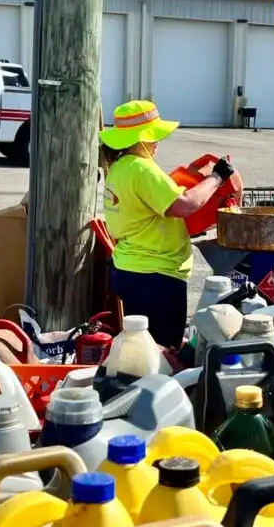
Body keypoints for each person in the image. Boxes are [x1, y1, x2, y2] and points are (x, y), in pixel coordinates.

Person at [100, 99, 237, 349]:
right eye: (154, 136)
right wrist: (217, 177)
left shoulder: (120, 168)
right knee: (162, 352)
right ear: (143, 138)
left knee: (142, 348)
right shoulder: (142, 170)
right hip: (155, 275)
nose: (157, 143)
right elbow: (185, 204)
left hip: (132, 269)